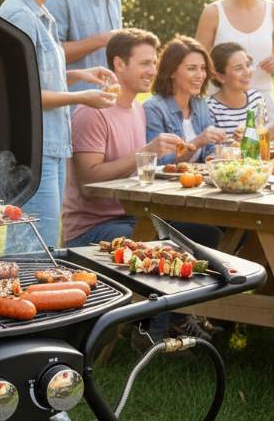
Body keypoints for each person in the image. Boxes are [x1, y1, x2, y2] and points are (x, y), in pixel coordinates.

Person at [62, 28, 223, 346]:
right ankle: (151, 335)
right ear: (119, 64)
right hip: (92, 228)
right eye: (144, 63)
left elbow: (140, 170)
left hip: (133, 216)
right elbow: (88, 180)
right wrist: (146, 153)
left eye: (154, 62)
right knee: (163, 247)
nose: (152, 70)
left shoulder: (136, 108)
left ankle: (176, 315)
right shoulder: (92, 112)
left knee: (207, 234)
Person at [0, 0, 118, 255]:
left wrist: (80, 75)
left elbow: (37, 77)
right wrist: (82, 98)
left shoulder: (40, 15)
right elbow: (20, 95)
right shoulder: (20, 17)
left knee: (42, 243)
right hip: (34, 152)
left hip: (51, 147)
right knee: (32, 249)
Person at [144, 36, 227, 164]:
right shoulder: (154, 108)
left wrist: (227, 150)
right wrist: (197, 142)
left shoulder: (200, 104)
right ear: (171, 72)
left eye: (203, 68)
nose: (200, 75)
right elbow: (159, 162)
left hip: (198, 176)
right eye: (191, 68)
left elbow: (210, 150)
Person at [207, 42, 274, 140]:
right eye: (238, 68)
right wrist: (252, 138)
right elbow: (212, 147)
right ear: (221, 77)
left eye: (248, 65)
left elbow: (261, 137)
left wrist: (267, 136)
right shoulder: (210, 108)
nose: (247, 72)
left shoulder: (256, 98)